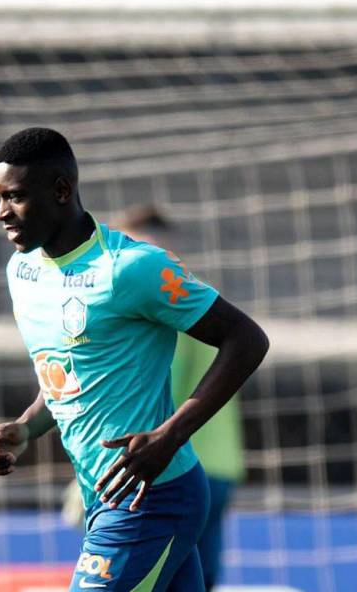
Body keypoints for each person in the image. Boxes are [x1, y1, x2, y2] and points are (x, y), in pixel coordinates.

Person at [0, 127, 268, 591]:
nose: (1, 213)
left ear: (60, 190)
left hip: (154, 498)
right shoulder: (23, 271)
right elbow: (72, 376)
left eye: (14, 197)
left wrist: (169, 435)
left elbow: (247, 339)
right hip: (102, 495)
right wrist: (26, 427)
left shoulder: (133, 267)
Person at [115, 206, 245, 591]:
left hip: (175, 465)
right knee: (198, 579)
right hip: (220, 463)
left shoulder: (162, 301)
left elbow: (157, 391)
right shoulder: (199, 294)